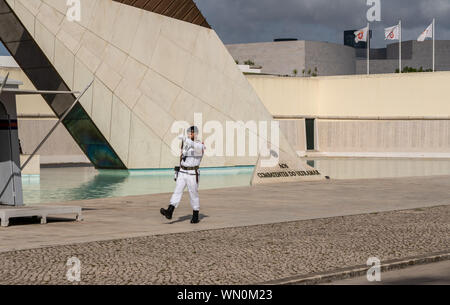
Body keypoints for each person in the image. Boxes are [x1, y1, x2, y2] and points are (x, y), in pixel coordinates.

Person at [160, 126, 205, 224]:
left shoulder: (199, 145)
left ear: (196, 134)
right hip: (183, 172)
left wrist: (185, 139)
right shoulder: (186, 144)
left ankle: (196, 215)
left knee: (193, 194)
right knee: (177, 191)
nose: (190, 134)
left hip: (192, 173)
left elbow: (195, 147)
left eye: (192, 133)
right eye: (189, 132)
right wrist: (177, 172)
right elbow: (183, 158)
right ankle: (170, 211)